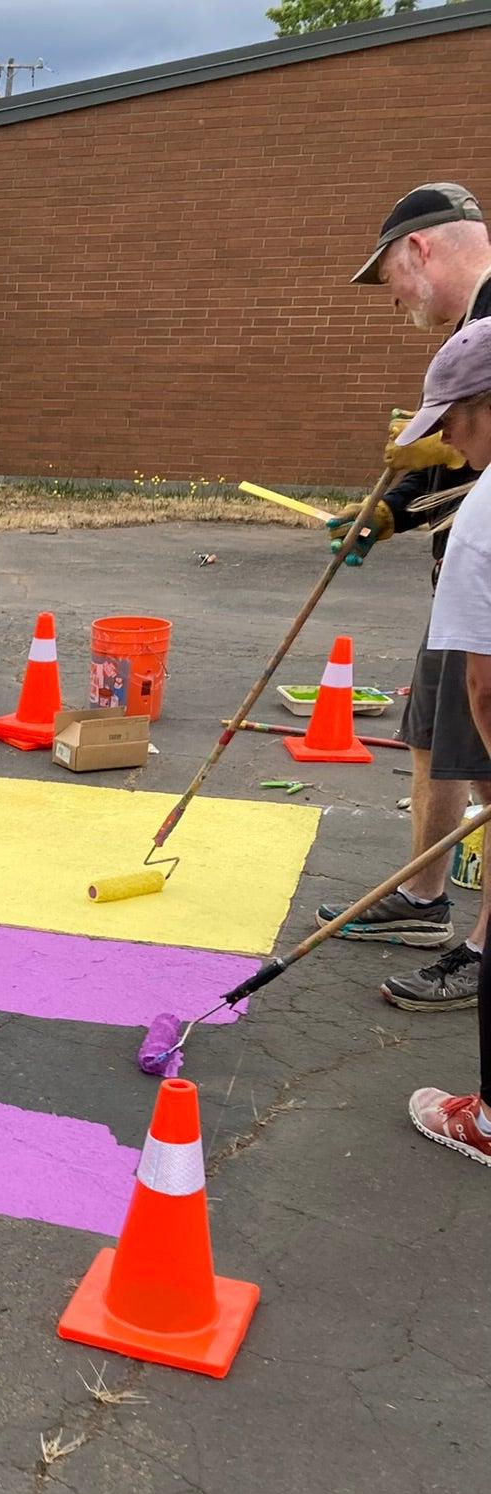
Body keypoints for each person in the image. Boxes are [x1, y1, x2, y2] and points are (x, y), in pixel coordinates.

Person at [318, 182, 491, 1012]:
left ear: (420, 250)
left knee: (488, 762)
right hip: (458, 576)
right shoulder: (471, 328)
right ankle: (423, 900)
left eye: (388, 274)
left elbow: (470, 458)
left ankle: (486, 951)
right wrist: (385, 511)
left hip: (484, 583)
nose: (391, 297)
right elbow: (451, 458)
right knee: (432, 734)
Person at [389, 320, 491, 1165]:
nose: (448, 443)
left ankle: (486, 1119)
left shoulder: (483, 518)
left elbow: (483, 687)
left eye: (452, 420)